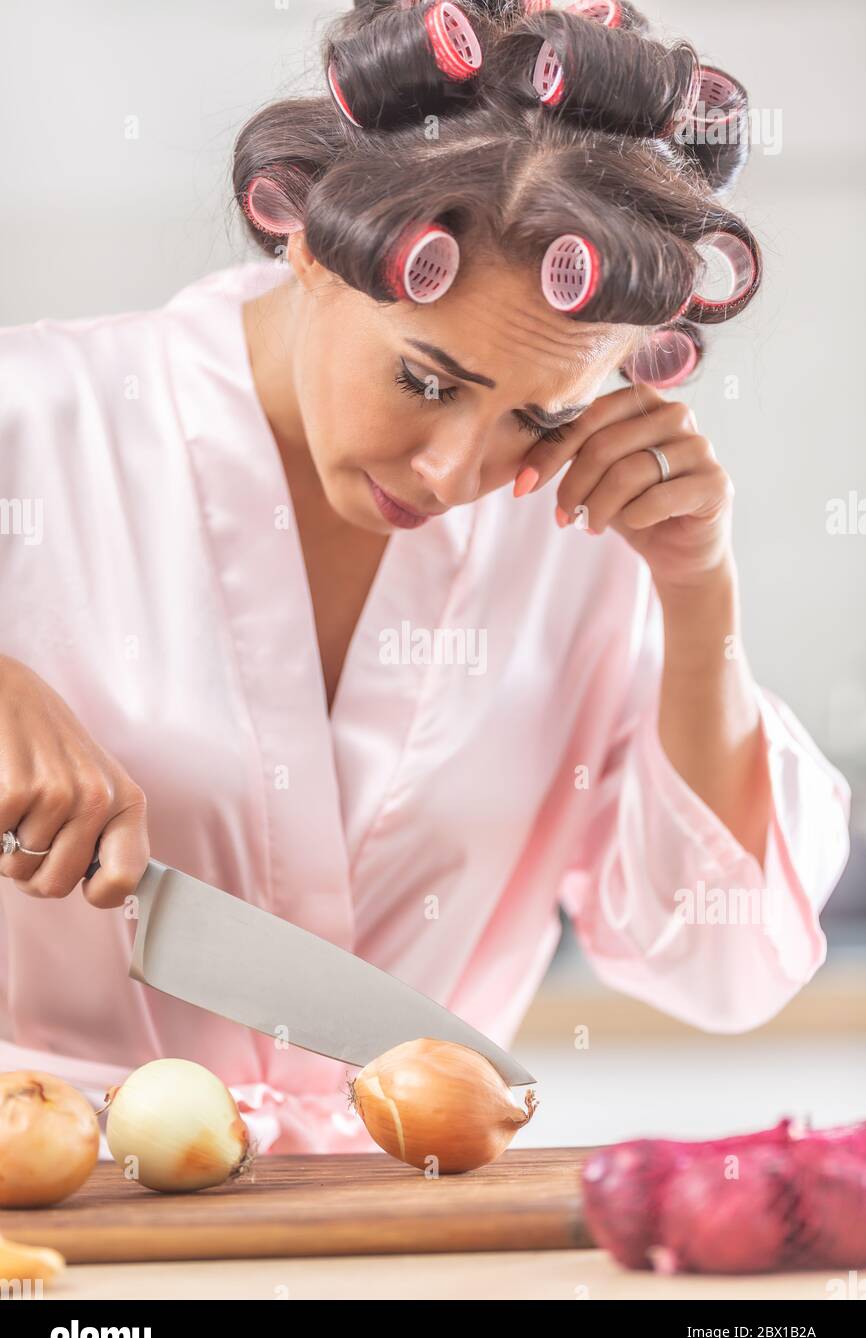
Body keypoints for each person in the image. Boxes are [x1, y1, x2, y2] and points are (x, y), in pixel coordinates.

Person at [0, 0, 850, 1156]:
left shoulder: (582, 530)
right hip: (47, 1203)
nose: (457, 470)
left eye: (536, 414)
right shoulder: (36, 424)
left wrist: (696, 592)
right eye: (427, 382)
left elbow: (719, 967)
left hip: (403, 1220)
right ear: (307, 238)